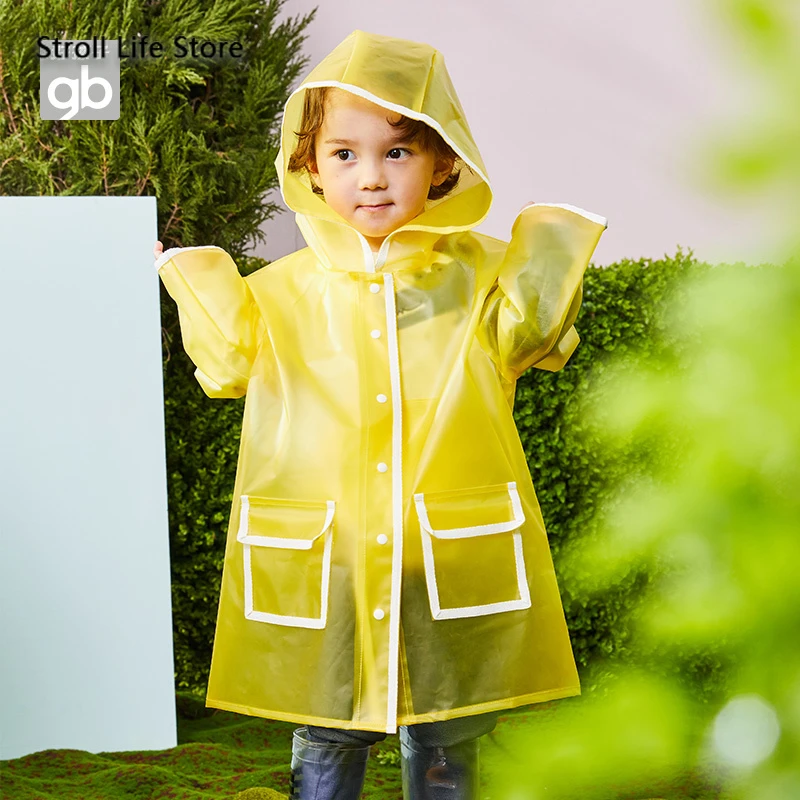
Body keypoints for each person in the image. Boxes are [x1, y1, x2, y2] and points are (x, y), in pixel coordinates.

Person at [154, 29, 607, 800]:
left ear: (444, 162)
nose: (370, 176)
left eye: (397, 151)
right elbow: (226, 365)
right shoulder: (276, 294)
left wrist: (548, 244)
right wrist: (185, 273)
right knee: (329, 724)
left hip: (445, 557)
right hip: (329, 562)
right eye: (344, 153)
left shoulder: (483, 279)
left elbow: (530, 334)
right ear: (309, 167)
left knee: (447, 726)